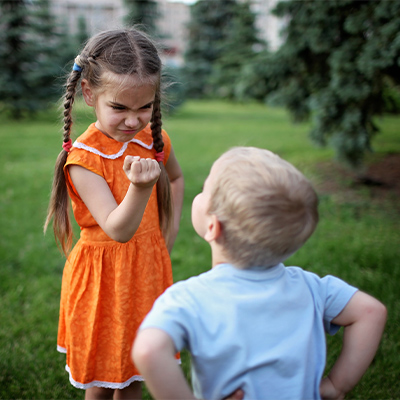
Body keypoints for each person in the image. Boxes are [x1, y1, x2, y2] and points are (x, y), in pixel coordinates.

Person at [132, 147, 386, 400]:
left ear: (213, 227)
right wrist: (336, 385)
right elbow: (371, 312)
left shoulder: (189, 299)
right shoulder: (313, 288)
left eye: (205, 189)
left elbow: (148, 350)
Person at [44, 28, 184, 400]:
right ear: (90, 93)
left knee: (136, 372)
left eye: (145, 107)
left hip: (147, 271)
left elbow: (177, 177)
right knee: (103, 381)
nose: (133, 121)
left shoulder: (153, 138)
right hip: (104, 278)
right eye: (119, 107)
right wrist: (139, 189)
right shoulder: (84, 160)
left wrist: (168, 231)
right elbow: (117, 229)